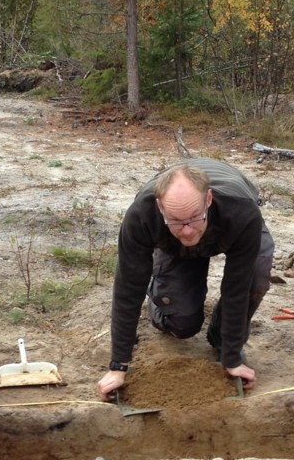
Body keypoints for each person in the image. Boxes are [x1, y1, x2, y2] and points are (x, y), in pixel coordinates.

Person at [98, 158, 274, 401]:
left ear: (208, 200)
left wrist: (231, 357)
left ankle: (221, 336)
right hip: (172, 244)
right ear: (160, 207)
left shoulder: (242, 211)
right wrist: (118, 365)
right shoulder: (141, 214)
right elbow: (128, 288)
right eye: (177, 220)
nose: (188, 230)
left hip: (229, 224)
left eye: (193, 217)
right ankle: (160, 296)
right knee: (181, 325)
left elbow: (237, 286)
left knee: (256, 275)